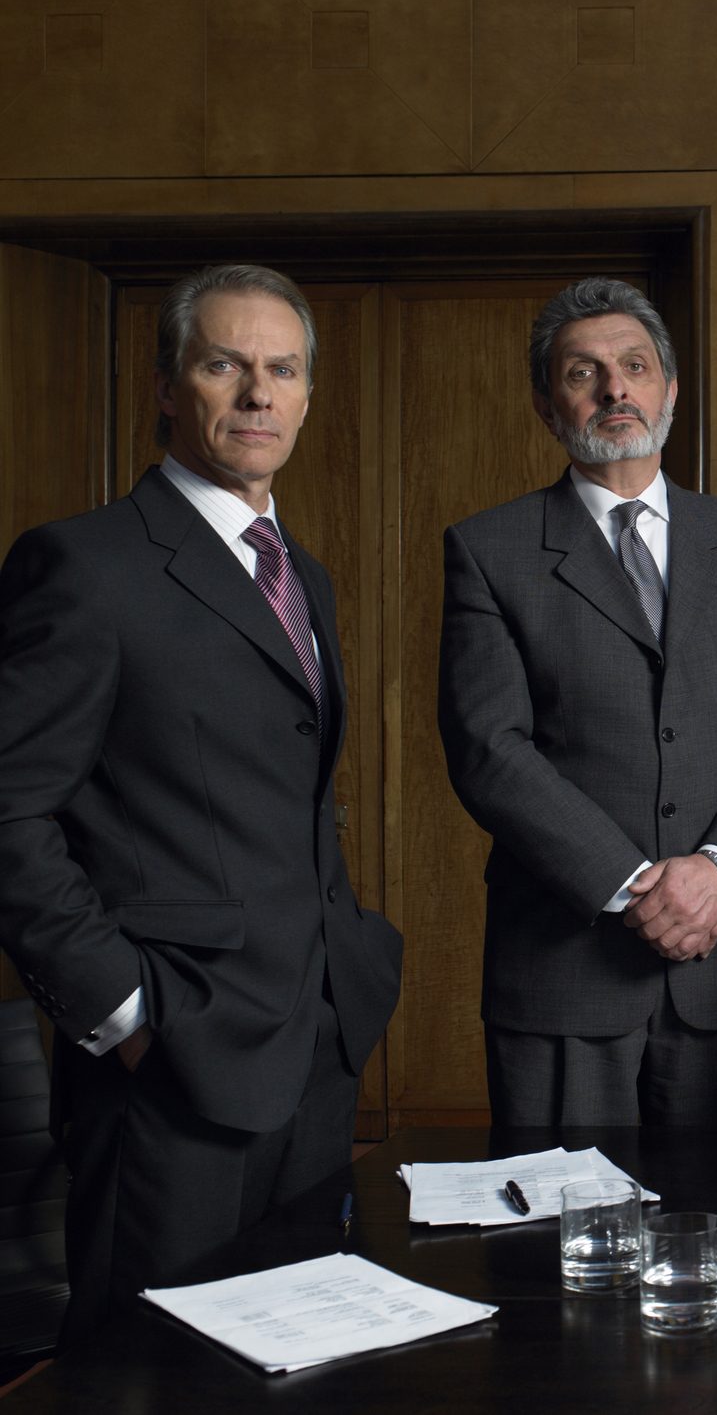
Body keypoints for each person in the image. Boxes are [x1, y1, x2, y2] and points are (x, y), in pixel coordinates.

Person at [0, 264, 403, 1337]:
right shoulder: (85, 565)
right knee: (153, 1371)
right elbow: (8, 813)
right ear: (167, 386)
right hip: (171, 1064)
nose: (259, 393)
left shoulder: (302, 575)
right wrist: (123, 1014)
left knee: (303, 1353)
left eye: (284, 369)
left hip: (314, 1049)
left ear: (307, 396)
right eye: (226, 364)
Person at [439, 277, 717, 1128]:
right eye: (584, 372)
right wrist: (632, 885)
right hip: (564, 971)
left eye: (636, 366)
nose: (615, 388)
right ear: (547, 405)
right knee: (562, 1214)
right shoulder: (490, 550)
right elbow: (488, 748)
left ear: (670, 390)